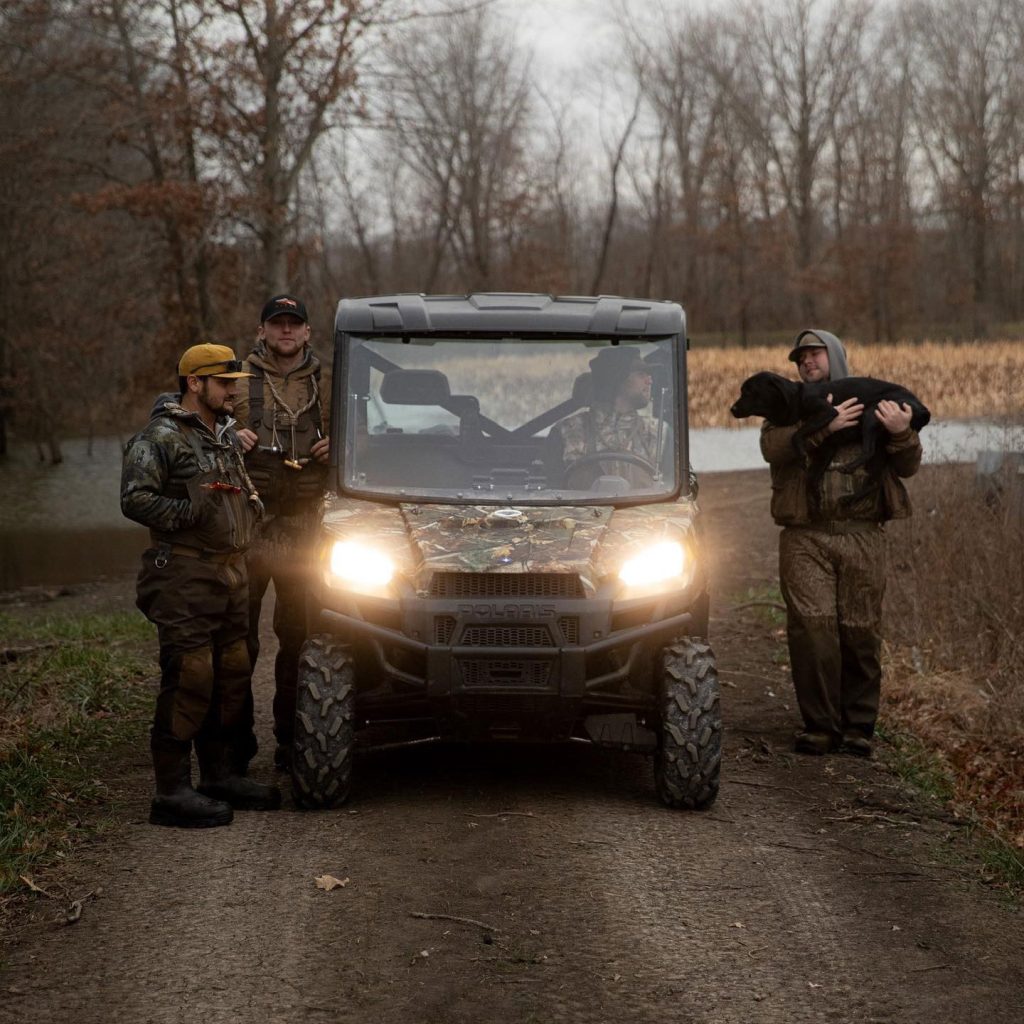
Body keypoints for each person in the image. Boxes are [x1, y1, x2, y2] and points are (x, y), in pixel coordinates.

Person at [121, 344, 281, 827]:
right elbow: (134, 499)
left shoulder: (223, 435)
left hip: (231, 573)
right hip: (184, 575)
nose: (233, 389)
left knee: (231, 674)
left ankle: (218, 775)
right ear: (195, 383)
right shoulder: (161, 436)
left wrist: (249, 517)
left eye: (234, 380)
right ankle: (170, 793)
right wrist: (189, 514)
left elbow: (236, 494)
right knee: (190, 676)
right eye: (224, 381)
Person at [760, 329, 922, 757]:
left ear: (836, 357)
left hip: (863, 535)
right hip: (805, 537)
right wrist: (823, 428)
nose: (807, 363)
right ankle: (820, 726)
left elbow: (908, 466)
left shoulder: (875, 400)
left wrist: (902, 432)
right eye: (801, 358)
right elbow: (773, 448)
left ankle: (858, 729)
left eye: (815, 355)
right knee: (812, 630)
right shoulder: (785, 406)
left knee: (860, 631)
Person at [232, 294, 330, 771]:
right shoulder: (235, 381)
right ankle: (235, 745)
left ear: (308, 332)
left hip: (304, 529)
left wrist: (340, 446)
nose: (286, 331)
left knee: (299, 637)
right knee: (238, 639)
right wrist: (229, 435)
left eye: (295, 324)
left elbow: (370, 436)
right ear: (262, 330)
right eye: (278, 324)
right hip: (249, 527)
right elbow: (190, 422)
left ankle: (294, 742)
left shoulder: (330, 382)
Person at [548, 347, 688, 491]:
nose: (649, 381)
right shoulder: (565, 433)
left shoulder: (660, 433)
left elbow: (677, 492)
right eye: (641, 374)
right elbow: (552, 495)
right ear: (618, 379)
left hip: (644, 514)